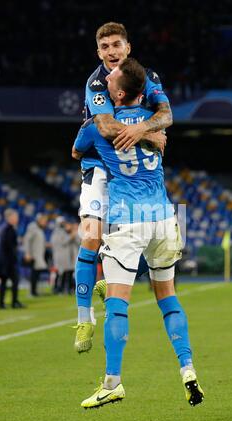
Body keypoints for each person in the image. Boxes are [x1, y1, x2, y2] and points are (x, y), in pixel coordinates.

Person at [73, 58, 204, 408]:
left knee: (118, 305)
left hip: (129, 222)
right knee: (168, 298)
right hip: (164, 218)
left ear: (117, 92)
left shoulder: (97, 125)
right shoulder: (156, 127)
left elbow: (76, 150)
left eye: (111, 78)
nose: (106, 78)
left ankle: (112, 382)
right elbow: (162, 123)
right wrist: (148, 133)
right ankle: (188, 369)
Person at [73, 22, 172, 354]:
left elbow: (167, 114)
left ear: (128, 47)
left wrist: (145, 126)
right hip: (100, 165)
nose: (112, 51)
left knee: (152, 239)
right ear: (99, 52)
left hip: (134, 173)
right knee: (91, 234)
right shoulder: (97, 83)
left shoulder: (147, 76)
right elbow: (105, 126)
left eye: (117, 45)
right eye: (105, 47)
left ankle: (105, 284)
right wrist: (149, 133)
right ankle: (84, 317)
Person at [0, 209, 24, 309]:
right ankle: (14, 302)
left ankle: (2, 303)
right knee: (15, 280)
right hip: (7, 261)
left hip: (3, 261)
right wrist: (14, 257)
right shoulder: (8, 229)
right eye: (15, 217)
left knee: (4, 282)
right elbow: (10, 247)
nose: (17, 219)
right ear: (10, 218)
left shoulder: (3, 228)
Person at [23, 213, 48, 296]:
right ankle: (32, 292)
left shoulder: (39, 229)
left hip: (39, 255)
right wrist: (27, 253)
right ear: (39, 220)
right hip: (33, 255)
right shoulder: (33, 227)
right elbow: (27, 240)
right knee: (34, 273)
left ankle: (34, 291)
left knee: (37, 273)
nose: (45, 223)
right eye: (44, 221)